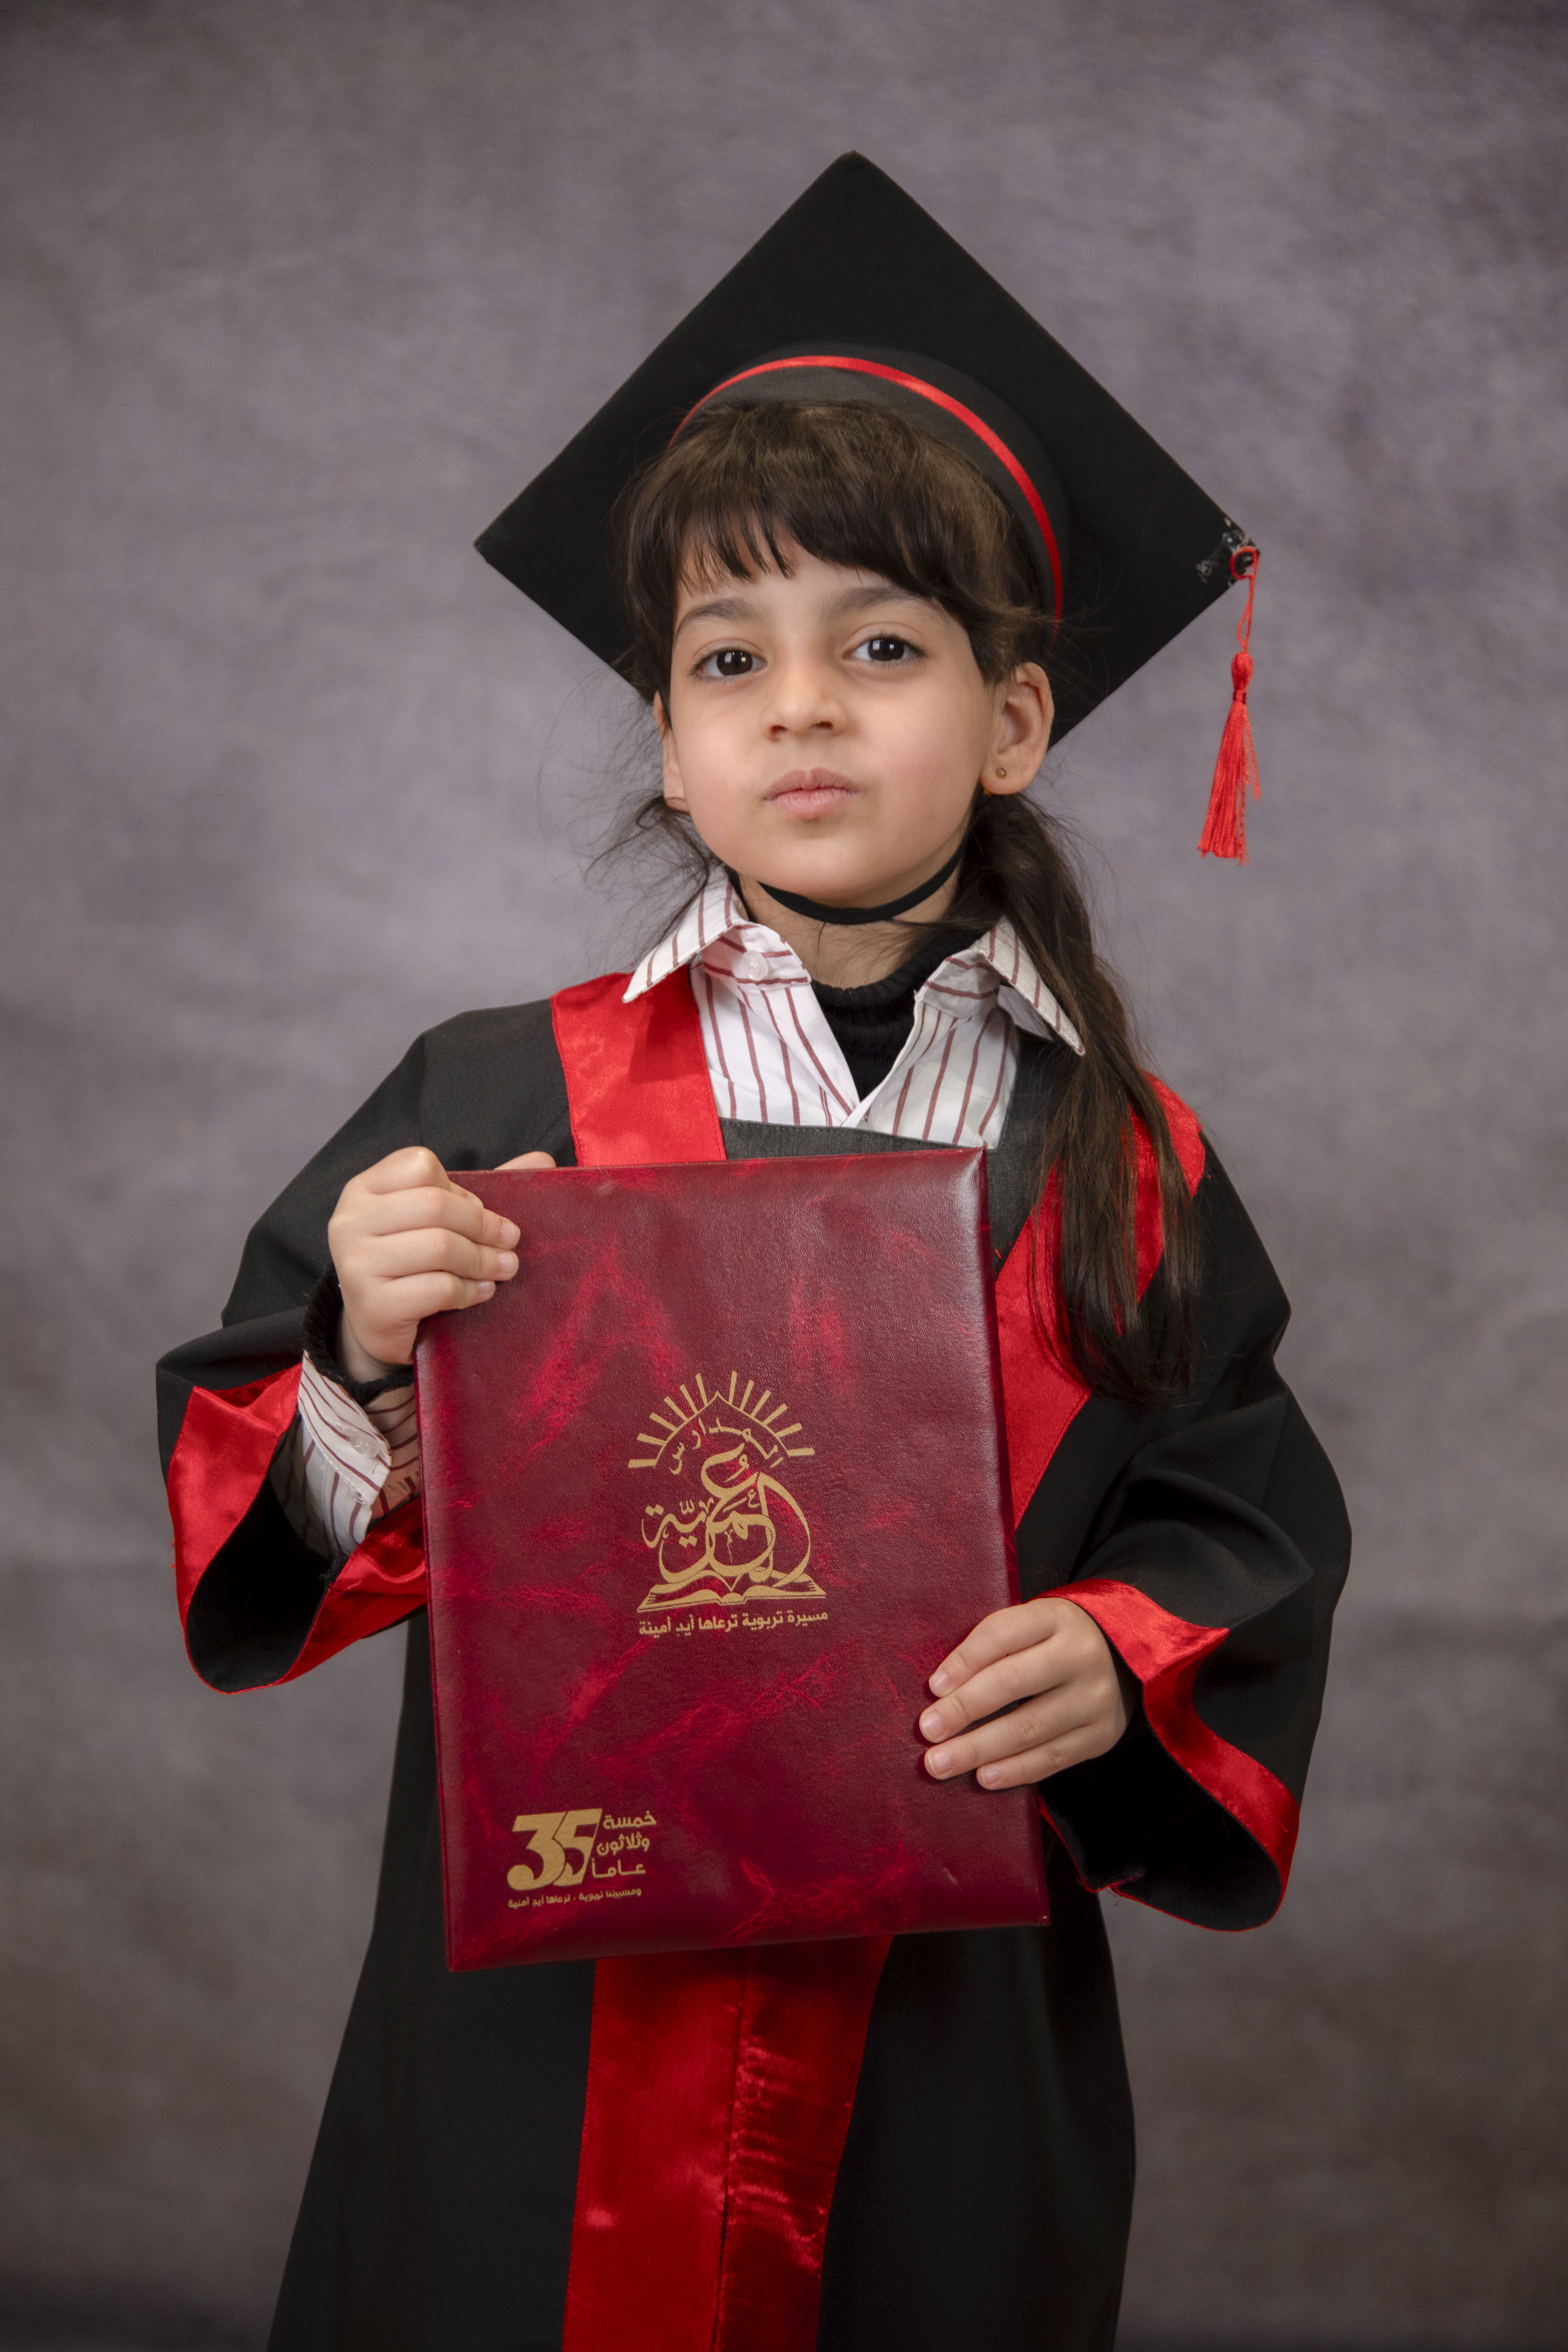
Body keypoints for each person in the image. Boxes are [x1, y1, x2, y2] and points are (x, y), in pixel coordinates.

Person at [158, 155, 1349, 2352]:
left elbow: (1240, 1517)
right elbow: (276, 1522)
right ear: (674, 747)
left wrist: (1119, 1653)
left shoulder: (1129, 1160)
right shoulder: (495, 1095)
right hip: (547, 2020)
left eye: (881, 645)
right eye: (732, 658)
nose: (801, 703)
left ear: (1013, 721)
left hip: (943, 2023)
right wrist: (367, 1351)